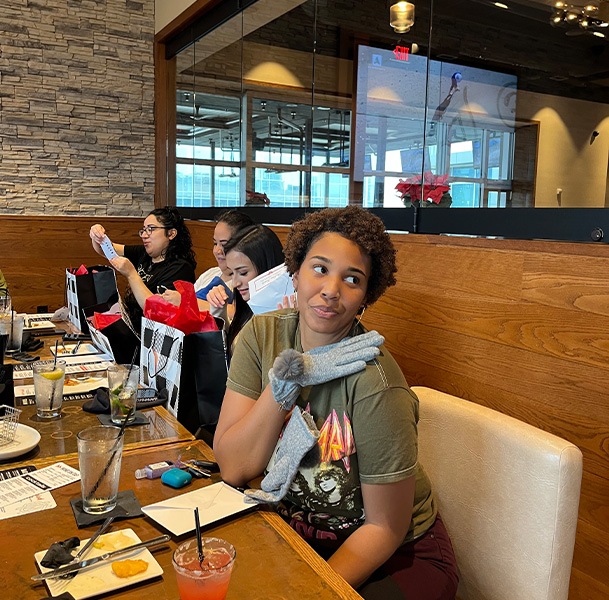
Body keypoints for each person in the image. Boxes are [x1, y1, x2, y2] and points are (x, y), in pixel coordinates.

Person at [213, 206, 458, 600]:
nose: (331, 290)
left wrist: (311, 589)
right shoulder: (262, 337)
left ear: (365, 297)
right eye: (320, 268)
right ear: (294, 271)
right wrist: (285, 385)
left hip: (396, 557)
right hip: (297, 532)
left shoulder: (376, 382)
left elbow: (385, 529)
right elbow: (233, 466)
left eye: (352, 278)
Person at [89, 207, 197, 332]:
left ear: (171, 233)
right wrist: (97, 235)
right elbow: (106, 250)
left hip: (151, 337)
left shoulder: (180, 268)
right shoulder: (144, 253)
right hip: (129, 328)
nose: (144, 235)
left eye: (151, 229)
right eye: (144, 230)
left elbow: (155, 310)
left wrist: (131, 274)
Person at [208, 224, 285, 353]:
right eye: (232, 273)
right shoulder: (247, 310)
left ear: (266, 269)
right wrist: (219, 312)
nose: (235, 283)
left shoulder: (285, 312)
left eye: (243, 273)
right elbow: (228, 352)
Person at [162, 209, 254, 315]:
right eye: (215, 243)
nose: (217, 251)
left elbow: (240, 314)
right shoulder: (211, 273)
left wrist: (186, 302)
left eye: (224, 244)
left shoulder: (245, 282)